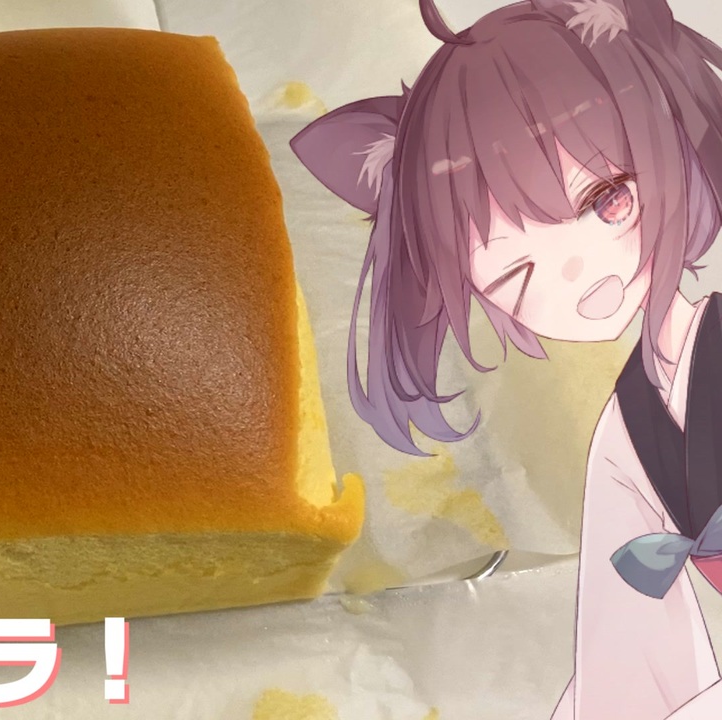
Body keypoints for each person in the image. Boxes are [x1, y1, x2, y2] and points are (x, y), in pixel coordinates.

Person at [290, 0, 722, 717]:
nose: (580, 276)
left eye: (607, 201)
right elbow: (626, 663)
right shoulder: (627, 436)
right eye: (515, 277)